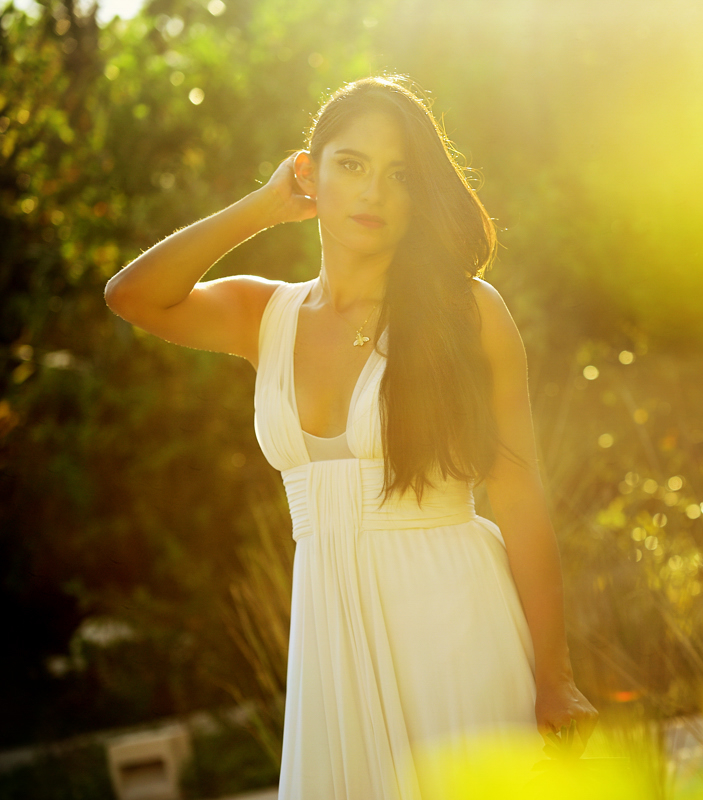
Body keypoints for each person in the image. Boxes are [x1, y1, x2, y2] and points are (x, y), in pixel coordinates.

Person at [103, 73, 599, 798]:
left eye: (399, 174)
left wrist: (554, 678)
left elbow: (519, 491)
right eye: (351, 165)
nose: (372, 192)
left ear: (419, 193)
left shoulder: (469, 313)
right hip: (331, 642)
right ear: (311, 172)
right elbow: (131, 296)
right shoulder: (263, 314)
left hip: (455, 621)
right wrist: (266, 208)